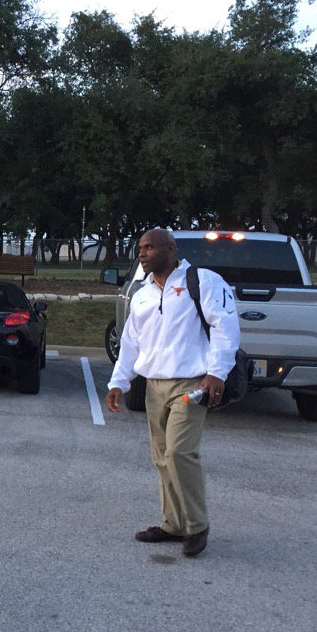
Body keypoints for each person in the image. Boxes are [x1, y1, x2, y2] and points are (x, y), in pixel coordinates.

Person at [105, 228, 240, 558]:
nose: (143, 253)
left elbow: (225, 327)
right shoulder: (142, 295)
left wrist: (216, 373)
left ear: (171, 249)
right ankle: (172, 524)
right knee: (161, 457)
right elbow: (130, 344)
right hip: (154, 386)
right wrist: (118, 382)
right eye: (140, 248)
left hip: (192, 384)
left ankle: (197, 525)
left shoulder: (202, 281)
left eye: (150, 247)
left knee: (180, 452)